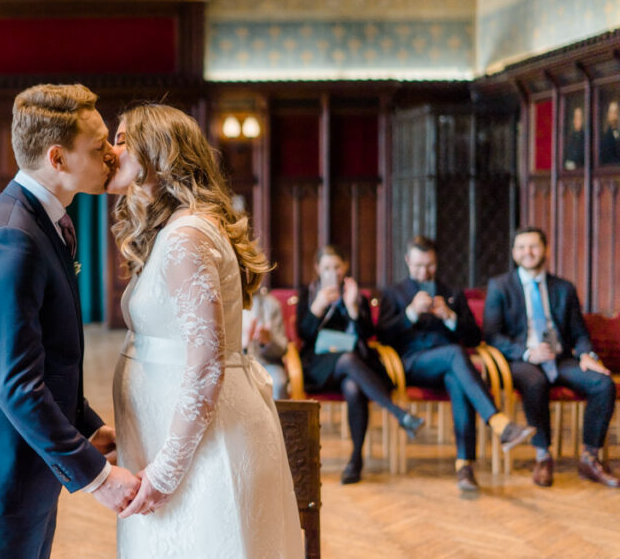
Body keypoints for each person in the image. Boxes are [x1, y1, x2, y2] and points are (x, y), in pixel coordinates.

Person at [0, 84, 139, 559]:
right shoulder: (12, 238)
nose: (113, 154)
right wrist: (98, 478)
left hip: (24, 469)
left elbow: (47, 360)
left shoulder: (37, 223)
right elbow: (17, 385)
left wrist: (86, 428)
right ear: (58, 158)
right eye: (98, 145)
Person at [108, 104, 303, 558]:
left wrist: (166, 470)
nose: (111, 151)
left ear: (157, 151)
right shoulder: (170, 230)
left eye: (122, 140)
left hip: (205, 450)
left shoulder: (186, 235)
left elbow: (205, 360)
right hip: (171, 438)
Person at [378, 236, 534, 491]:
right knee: (455, 355)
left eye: (429, 265)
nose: (423, 271)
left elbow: (474, 337)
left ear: (436, 263)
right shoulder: (393, 293)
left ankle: (465, 466)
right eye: (418, 265)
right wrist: (410, 314)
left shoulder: (451, 293)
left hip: (451, 365)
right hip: (411, 364)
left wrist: (450, 317)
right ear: (407, 261)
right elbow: (383, 337)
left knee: (458, 378)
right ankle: (497, 421)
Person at [483, 226, 618, 488]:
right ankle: (543, 456)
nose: (528, 252)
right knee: (535, 383)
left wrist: (586, 355)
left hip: (560, 358)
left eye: (533, 246)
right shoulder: (500, 286)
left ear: (545, 250)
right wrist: (526, 352)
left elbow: (579, 332)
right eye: (521, 247)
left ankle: (590, 458)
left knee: (603, 383)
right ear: (514, 252)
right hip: (522, 361)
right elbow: (492, 336)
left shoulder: (563, 288)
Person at [297, 244, 423, 484]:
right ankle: (398, 413)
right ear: (317, 268)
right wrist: (319, 306)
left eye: (336, 267)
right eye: (326, 267)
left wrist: (353, 306)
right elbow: (303, 334)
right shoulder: (309, 293)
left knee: (353, 387)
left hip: (354, 365)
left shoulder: (356, 294)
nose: (332, 272)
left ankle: (355, 460)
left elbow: (368, 334)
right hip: (320, 365)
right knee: (347, 360)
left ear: (345, 267)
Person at [242, 286, 290, 400]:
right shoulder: (227, 304)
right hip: (238, 363)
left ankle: (278, 418)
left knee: (278, 383)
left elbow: (283, 349)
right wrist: (244, 344)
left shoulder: (271, 305)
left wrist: (268, 342)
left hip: (267, 364)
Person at [563, 104, 585, 170]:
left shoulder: (586, 138)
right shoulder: (569, 138)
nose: (577, 120)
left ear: (583, 120)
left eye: (579, 118)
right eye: (576, 117)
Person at [601, 99, 620, 165]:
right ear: (608, 115)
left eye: (615, 112)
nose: (613, 116)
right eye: (611, 112)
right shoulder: (605, 137)